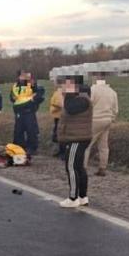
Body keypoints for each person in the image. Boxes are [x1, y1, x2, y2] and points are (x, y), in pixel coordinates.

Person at [57, 76, 93, 208]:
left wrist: (67, 94)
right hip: (77, 137)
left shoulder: (81, 100)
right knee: (78, 167)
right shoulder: (80, 98)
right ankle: (82, 197)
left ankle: (73, 198)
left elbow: (70, 109)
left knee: (71, 167)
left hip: (77, 138)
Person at [85, 71, 119, 176]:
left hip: (95, 120)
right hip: (107, 120)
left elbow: (88, 105)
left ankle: (83, 168)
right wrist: (112, 118)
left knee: (86, 144)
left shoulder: (92, 90)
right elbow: (115, 109)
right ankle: (102, 168)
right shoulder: (112, 92)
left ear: (96, 78)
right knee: (103, 145)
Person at [10, 70, 45, 157]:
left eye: (24, 75)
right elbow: (12, 97)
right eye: (21, 76)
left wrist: (33, 101)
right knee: (18, 131)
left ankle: (32, 148)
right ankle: (19, 148)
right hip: (18, 111)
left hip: (29, 111)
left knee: (31, 130)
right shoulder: (15, 86)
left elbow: (40, 93)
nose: (23, 77)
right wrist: (13, 99)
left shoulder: (31, 84)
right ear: (18, 77)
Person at [49, 76, 66, 159]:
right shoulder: (58, 92)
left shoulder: (60, 92)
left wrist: (55, 107)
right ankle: (60, 151)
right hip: (57, 116)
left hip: (60, 116)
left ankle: (63, 153)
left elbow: (61, 104)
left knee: (60, 134)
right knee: (57, 134)